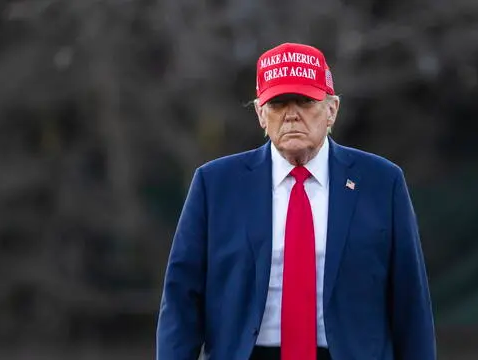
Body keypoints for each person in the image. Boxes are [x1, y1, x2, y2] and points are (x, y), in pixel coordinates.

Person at [156, 42, 436, 360]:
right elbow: (182, 298)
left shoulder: (381, 182)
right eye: (277, 104)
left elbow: (410, 301)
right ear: (261, 114)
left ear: (332, 110)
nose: (291, 115)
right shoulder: (216, 184)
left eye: (304, 101)